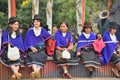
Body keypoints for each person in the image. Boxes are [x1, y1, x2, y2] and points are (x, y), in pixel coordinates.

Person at [24, 14, 51, 80]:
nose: (36, 23)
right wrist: (31, 48)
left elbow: (48, 38)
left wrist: (39, 47)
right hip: (31, 49)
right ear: (33, 22)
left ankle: (35, 72)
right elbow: (27, 41)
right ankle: (37, 72)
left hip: (41, 48)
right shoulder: (30, 31)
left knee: (41, 55)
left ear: (40, 23)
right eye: (35, 21)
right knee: (31, 55)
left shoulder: (43, 31)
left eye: (38, 21)